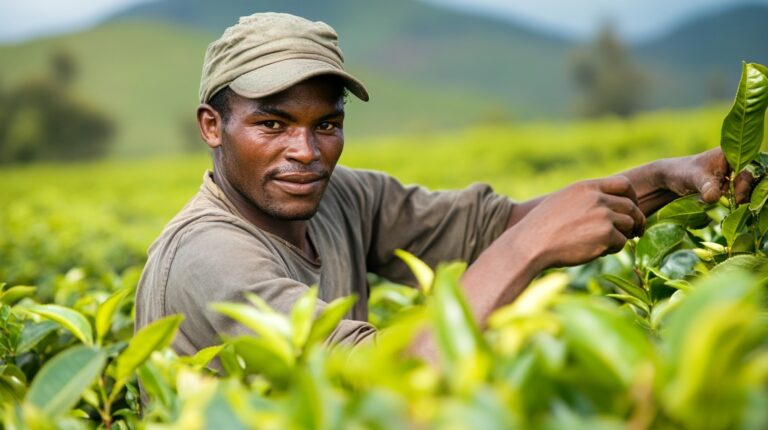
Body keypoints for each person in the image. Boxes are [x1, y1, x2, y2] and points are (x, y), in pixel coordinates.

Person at [135, 12, 751, 362]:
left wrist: (667, 177)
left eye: (326, 124)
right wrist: (530, 246)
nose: (305, 151)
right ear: (213, 127)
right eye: (272, 124)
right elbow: (389, 373)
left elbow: (488, 229)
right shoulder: (209, 257)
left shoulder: (341, 197)